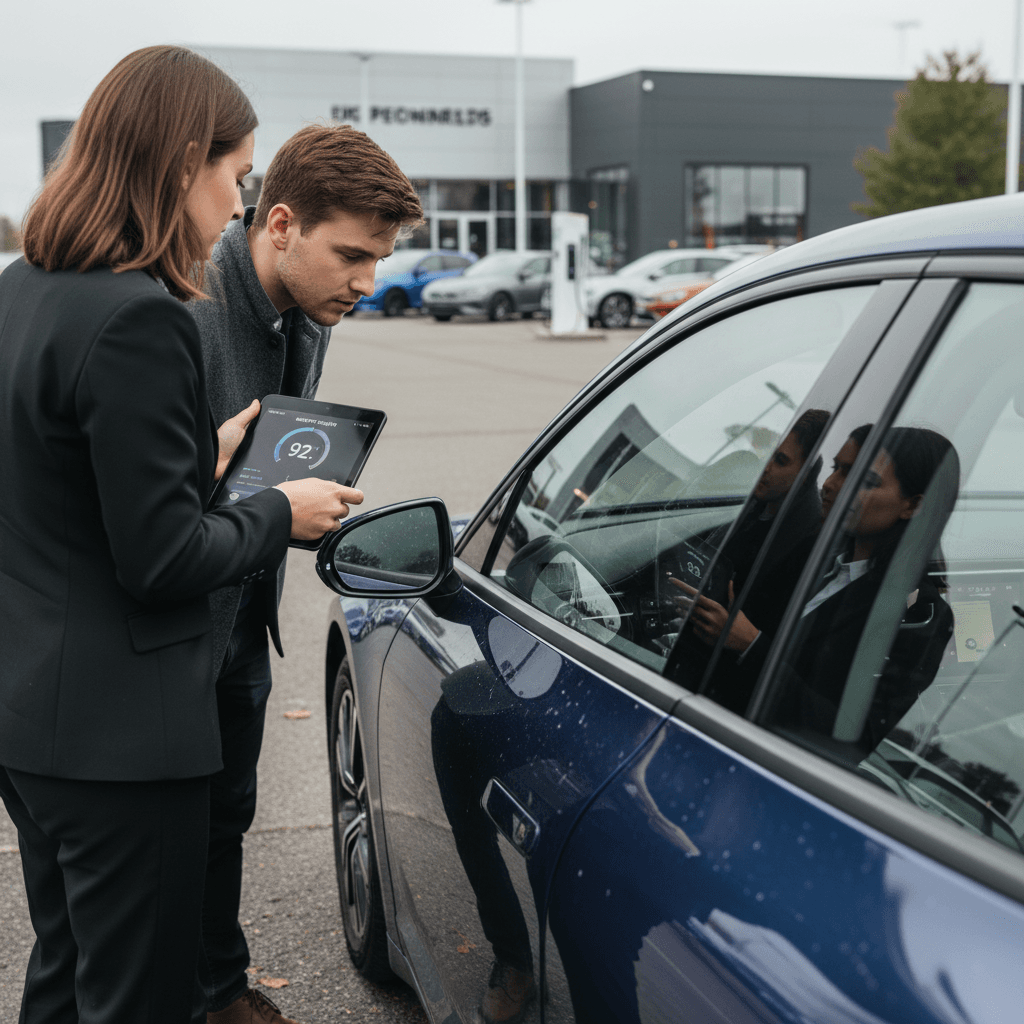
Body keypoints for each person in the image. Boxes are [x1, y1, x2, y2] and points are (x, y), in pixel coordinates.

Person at [0, 47, 357, 1023]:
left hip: (35, 716)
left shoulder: (23, 288)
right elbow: (159, 562)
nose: (236, 200)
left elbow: (56, 485)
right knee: (137, 999)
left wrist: (195, 462)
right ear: (184, 163)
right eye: (236, 175)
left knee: (69, 977)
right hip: (123, 738)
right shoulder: (142, 318)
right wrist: (281, 510)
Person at [187, 125, 422, 1023]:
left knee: (226, 815)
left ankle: (216, 986)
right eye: (352, 256)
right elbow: (145, 512)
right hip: (171, 623)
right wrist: (277, 511)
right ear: (279, 223)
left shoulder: (304, 306)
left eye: (380, 259)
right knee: (165, 842)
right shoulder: (187, 312)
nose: (368, 283)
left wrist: (292, 503)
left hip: (242, 611)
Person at [782, 426, 958, 744]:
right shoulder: (812, 557)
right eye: (837, 469)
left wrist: (750, 647)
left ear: (913, 505)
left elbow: (857, 732)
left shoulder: (920, 610)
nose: (833, 486)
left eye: (866, 482)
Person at [671, 409, 829, 709]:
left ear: (806, 474)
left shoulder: (805, 545)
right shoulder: (743, 507)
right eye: (767, 454)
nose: (765, 466)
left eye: (781, 461)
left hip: (717, 695)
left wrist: (738, 637)